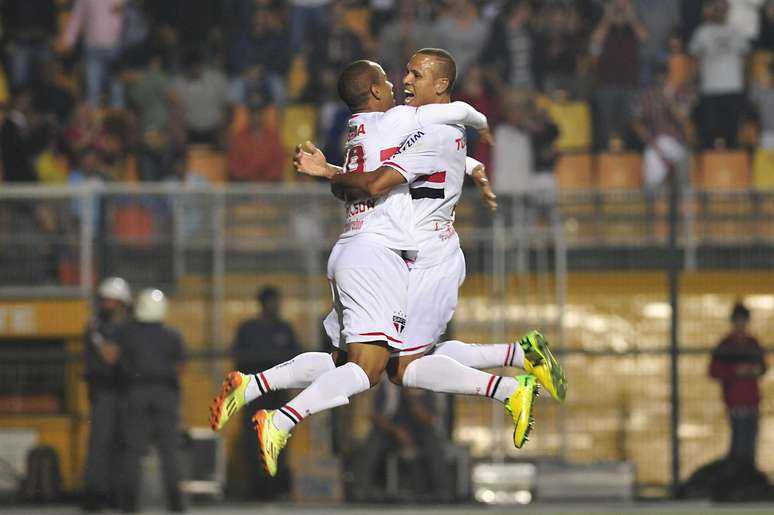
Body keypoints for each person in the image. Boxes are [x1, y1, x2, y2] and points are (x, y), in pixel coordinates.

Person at [210, 55, 565, 475]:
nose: (404, 80)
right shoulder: (407, 125)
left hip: (424, 256)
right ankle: (514, 373)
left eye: (416, 74)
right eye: (399, 75)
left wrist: (328, 172)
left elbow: (384, 173)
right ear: (375, 91)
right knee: (387, 365)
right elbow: (420, 152)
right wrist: (472, 156)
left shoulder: (390, 126)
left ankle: (258, 390)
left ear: (442, 83)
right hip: (388, 253)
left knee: (389, 364)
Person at [117, 289, 187, 512]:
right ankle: (175, 502)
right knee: (169, 451)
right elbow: (182, 367)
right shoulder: (172, 335)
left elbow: (119, 362)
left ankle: (128, 503)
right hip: (165, 394)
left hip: (136, 393)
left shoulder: (127, 333)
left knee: (133, 451)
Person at [230, 287, 300, 499]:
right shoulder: (248, 329)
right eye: (273, 301)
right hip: (254, 393)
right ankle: (256, 487)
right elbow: (241, 358)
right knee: (253, 439)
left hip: (278, 394)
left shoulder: (285, 328)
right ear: (263, 303)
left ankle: (276, 487)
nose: (277, 306)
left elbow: (294, 358)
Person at [352, 381, 451, 502]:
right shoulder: (387, 386)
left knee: (433, 443)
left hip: (421, 433)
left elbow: (435, 421)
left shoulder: (431, 386)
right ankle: (362, 490)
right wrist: (397, 432)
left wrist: (414, 401)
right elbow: (375, 415)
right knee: (374, 441)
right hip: (392, 432)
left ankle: (441, 491)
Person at [82, 277, 132, 513]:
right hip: (105, 390)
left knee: (124, 445)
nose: (108, 305)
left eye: (113, 300)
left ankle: (119, 494)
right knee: (100, 444)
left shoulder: (129, 326)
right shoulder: (96, 326)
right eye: (105, 300)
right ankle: (95, 495)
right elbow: (109, 357)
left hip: (127, 391)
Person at [709, 302, 767, 465]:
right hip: (735, 402)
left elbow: (763, 367)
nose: (741, 325)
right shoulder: (725, 345)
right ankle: (738, 478)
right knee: (739, 443)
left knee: (751, 443)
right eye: (738, 321)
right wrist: (735, 371)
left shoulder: (753, 343)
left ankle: (747, 479)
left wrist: (757, 370)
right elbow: (713, 371)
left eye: (744, 321)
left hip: (753, 401)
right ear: (733, 322)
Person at [689, 0, 750, 148]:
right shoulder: (702, 32)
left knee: (732, 136)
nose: (720, 11)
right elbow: (694, 60)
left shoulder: (737, 31)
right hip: (710, 90)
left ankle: (730, 169)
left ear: (727, 10)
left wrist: (745, 85)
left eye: (723, 8)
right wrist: (694, 83)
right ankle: (707, 169)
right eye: (716, 8)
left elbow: (745, 60)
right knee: (708, 135)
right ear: (712, 10)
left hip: (733, 89)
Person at [631, 64, 694, 190]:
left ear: (668, 77)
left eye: (663, 78)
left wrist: (668, 102)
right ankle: (653, 205)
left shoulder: (679, 94)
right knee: (651, 177)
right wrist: (651, 141)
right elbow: (636, 123)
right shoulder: (646, 96)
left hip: (677, 143)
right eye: (657, 79)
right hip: (655, 144)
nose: (660, 82)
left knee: (684, 182)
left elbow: (684, 121)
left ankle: (686, 206)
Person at [60, 0, 125, 108]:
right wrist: (68, 40)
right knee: (95, 90)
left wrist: (68, 40)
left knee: (115, 90)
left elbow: (128, 14)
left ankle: (117, 121)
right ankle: (96, 121)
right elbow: (77, 16)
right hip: (95, 47)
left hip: (114, 47)